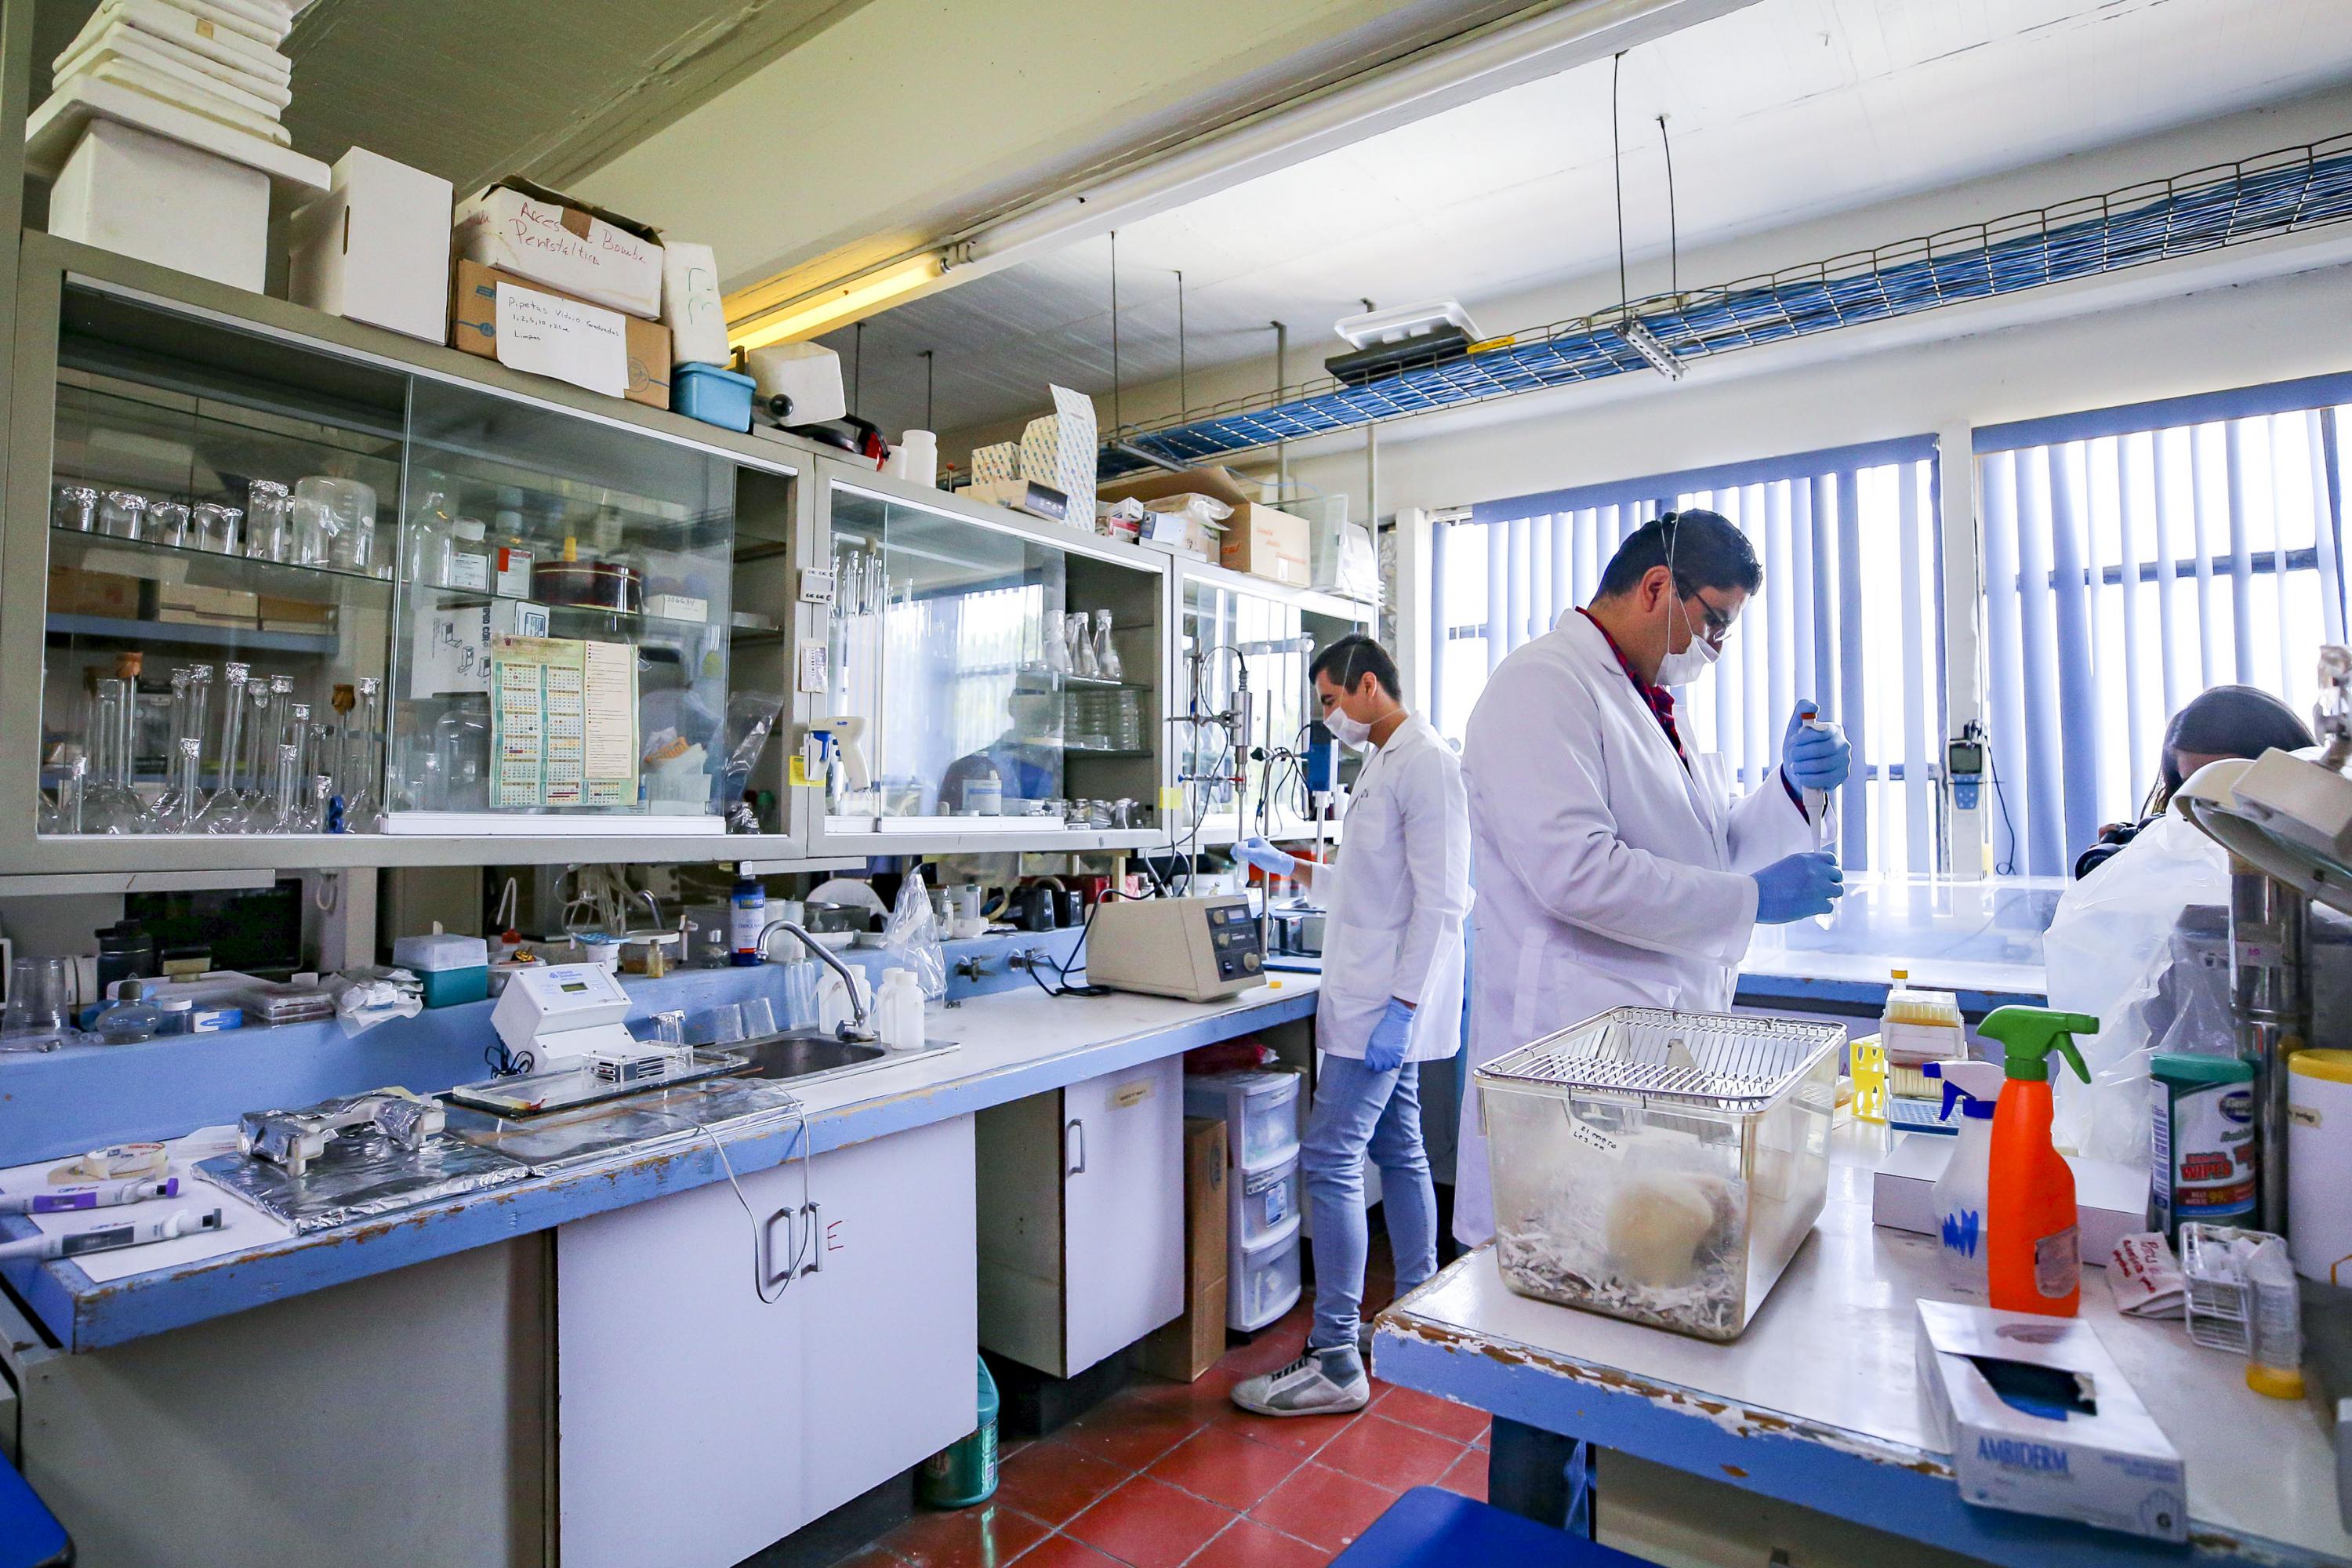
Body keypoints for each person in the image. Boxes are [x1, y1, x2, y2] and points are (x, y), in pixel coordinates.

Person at [1452, 509, 1852, 1247]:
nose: (1719, 648)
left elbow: (1709, 850)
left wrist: (1789, 790)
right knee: (1566, 1274)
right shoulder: (1541, 685)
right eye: (1715, 622)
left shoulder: (1653, 703)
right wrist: (1755, 900)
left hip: (1654, 1051)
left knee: (1649, 1273)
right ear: (1658, 586)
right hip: (1574, 1062)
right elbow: (1576, 873)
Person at [1227, 633, 1470, 1416]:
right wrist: (1288, 866)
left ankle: (1334, 1354)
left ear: (1369, 684)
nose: (1327, 716)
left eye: (1331, 700)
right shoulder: (1388, 762)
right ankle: (1414, 1320)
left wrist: (1402, 1009)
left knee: (1330, 1156)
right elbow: (1368, 886)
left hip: (1384, 1006)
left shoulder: (1427, 762)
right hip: (1374, 997)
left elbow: (1440, 901)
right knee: (1400, 1149)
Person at [2045, 684, 2316, 1160]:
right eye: (2192, 787)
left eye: (2226, 785)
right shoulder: (2172, 846)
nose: (2211, 814)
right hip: (2177, 1081)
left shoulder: (2317, 856)